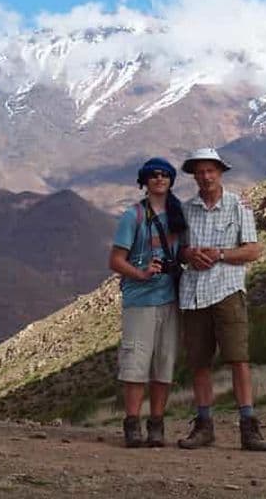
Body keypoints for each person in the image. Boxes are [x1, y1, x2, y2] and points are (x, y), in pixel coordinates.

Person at [177, 148, 266, 452]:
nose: (205, 177)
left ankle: (249, 427)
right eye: (200, 172)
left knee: (238, 359)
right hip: (193, 293)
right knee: (199, 362)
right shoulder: (185, 209)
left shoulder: (238, 206)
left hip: (228, 291)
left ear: (220, 172)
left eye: (210, 171)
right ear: (194, 176)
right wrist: (188, 254)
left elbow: (253, 250)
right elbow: (176, 251)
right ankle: (204, 427)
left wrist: (219, 254)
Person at [108, 157, 186, 448]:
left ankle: (157, 423)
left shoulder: (179, 214)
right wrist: (140, 273)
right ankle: (132, 423)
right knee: (136, 365)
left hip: (170, 298)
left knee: (164, 365)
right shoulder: (133, 216)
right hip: (140, 301)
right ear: (144, 181)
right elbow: (115, 260)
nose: (159, 179)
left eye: (164, 174)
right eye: (153, 175)